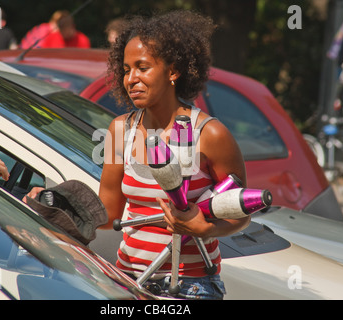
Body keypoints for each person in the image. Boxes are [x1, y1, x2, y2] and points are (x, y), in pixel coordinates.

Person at [97, 10, 249, 299]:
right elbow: (108, 213)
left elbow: (241, 211)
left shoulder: (210, 134)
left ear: (173, 71)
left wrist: (206, 227)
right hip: (127, 281)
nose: (131, 78)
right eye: (127, 69)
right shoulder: (120, 130)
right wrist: (58, 207)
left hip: (189, 288)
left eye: (142, 67)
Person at [20, 10, 90, 49]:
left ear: (73, 26)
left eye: (65, 27)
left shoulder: (82, 40)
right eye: (61, 27)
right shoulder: (51, 35)